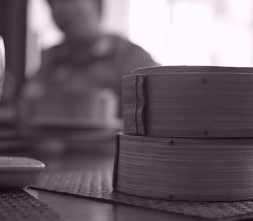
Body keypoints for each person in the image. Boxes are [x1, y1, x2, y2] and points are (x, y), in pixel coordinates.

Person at [20, 0, 157, 129]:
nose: (58, 10)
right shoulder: (50, 58)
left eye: (67, 0)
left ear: (96, 4)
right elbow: (25, 111)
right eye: (51, 4)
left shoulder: (132, 57)